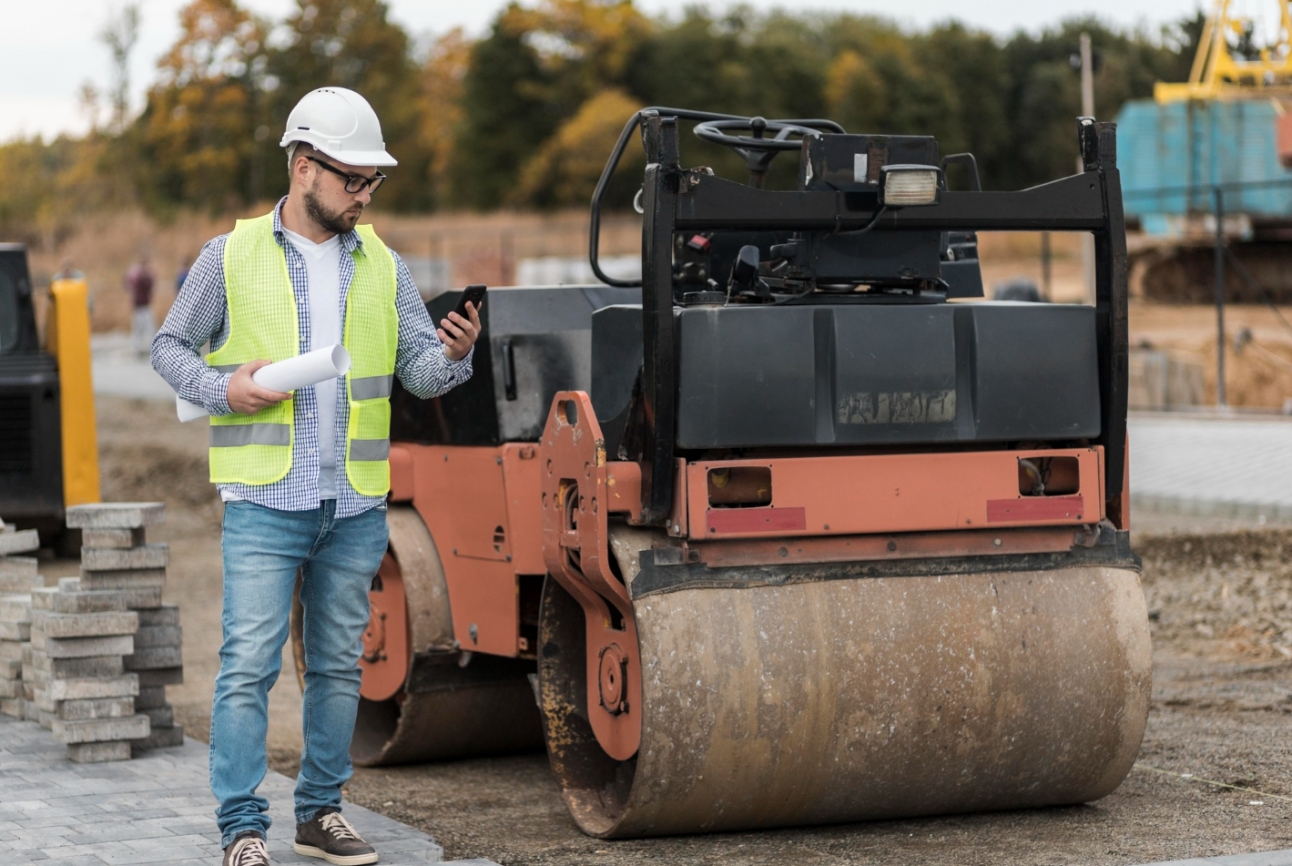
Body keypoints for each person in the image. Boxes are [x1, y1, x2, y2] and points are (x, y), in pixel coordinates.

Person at [152, 87, 482, 866]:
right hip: (266, 500)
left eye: (374, 183)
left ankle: (319, 814)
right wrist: (225, 387)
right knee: (248, 669)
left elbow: (419, 375)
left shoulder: (386, 267)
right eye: (353, 180)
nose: (365, 196)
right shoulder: (228, 255)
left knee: (338, 666)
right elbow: (170, 349)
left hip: (355, 504)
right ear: (304, 167)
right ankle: (241, 828)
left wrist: (457, 357)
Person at [125, 255, 155, 356]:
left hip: (141, 305)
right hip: (141, 305)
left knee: (143, 328)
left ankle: (139, 348)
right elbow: (149, 284)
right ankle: (138, 348)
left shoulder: (134, 274)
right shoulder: (140, 275)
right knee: (143, 328)